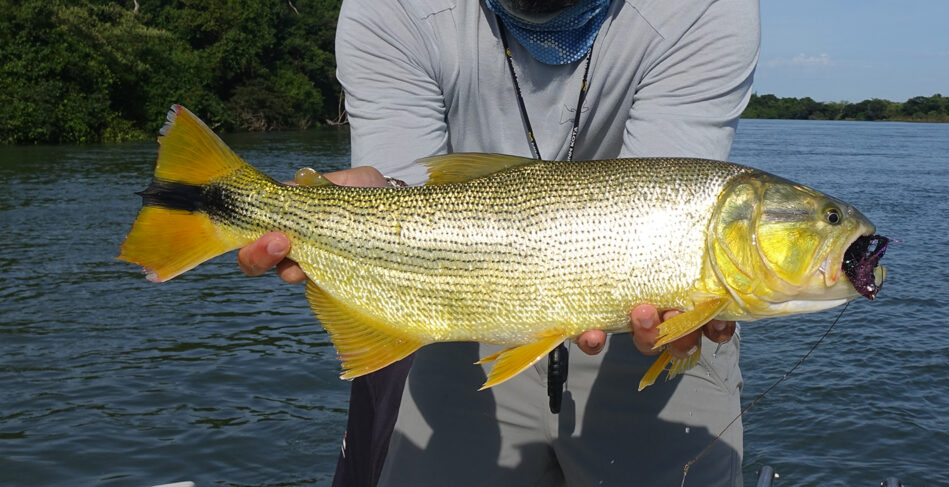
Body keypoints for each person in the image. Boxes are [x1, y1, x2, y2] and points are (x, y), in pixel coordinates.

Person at [239, 0, 760, 484]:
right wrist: (368, 206)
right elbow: (408, 187)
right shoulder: (389, 6)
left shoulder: (708, 7)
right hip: (454, 311)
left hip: (645, 344)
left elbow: (663, 202)